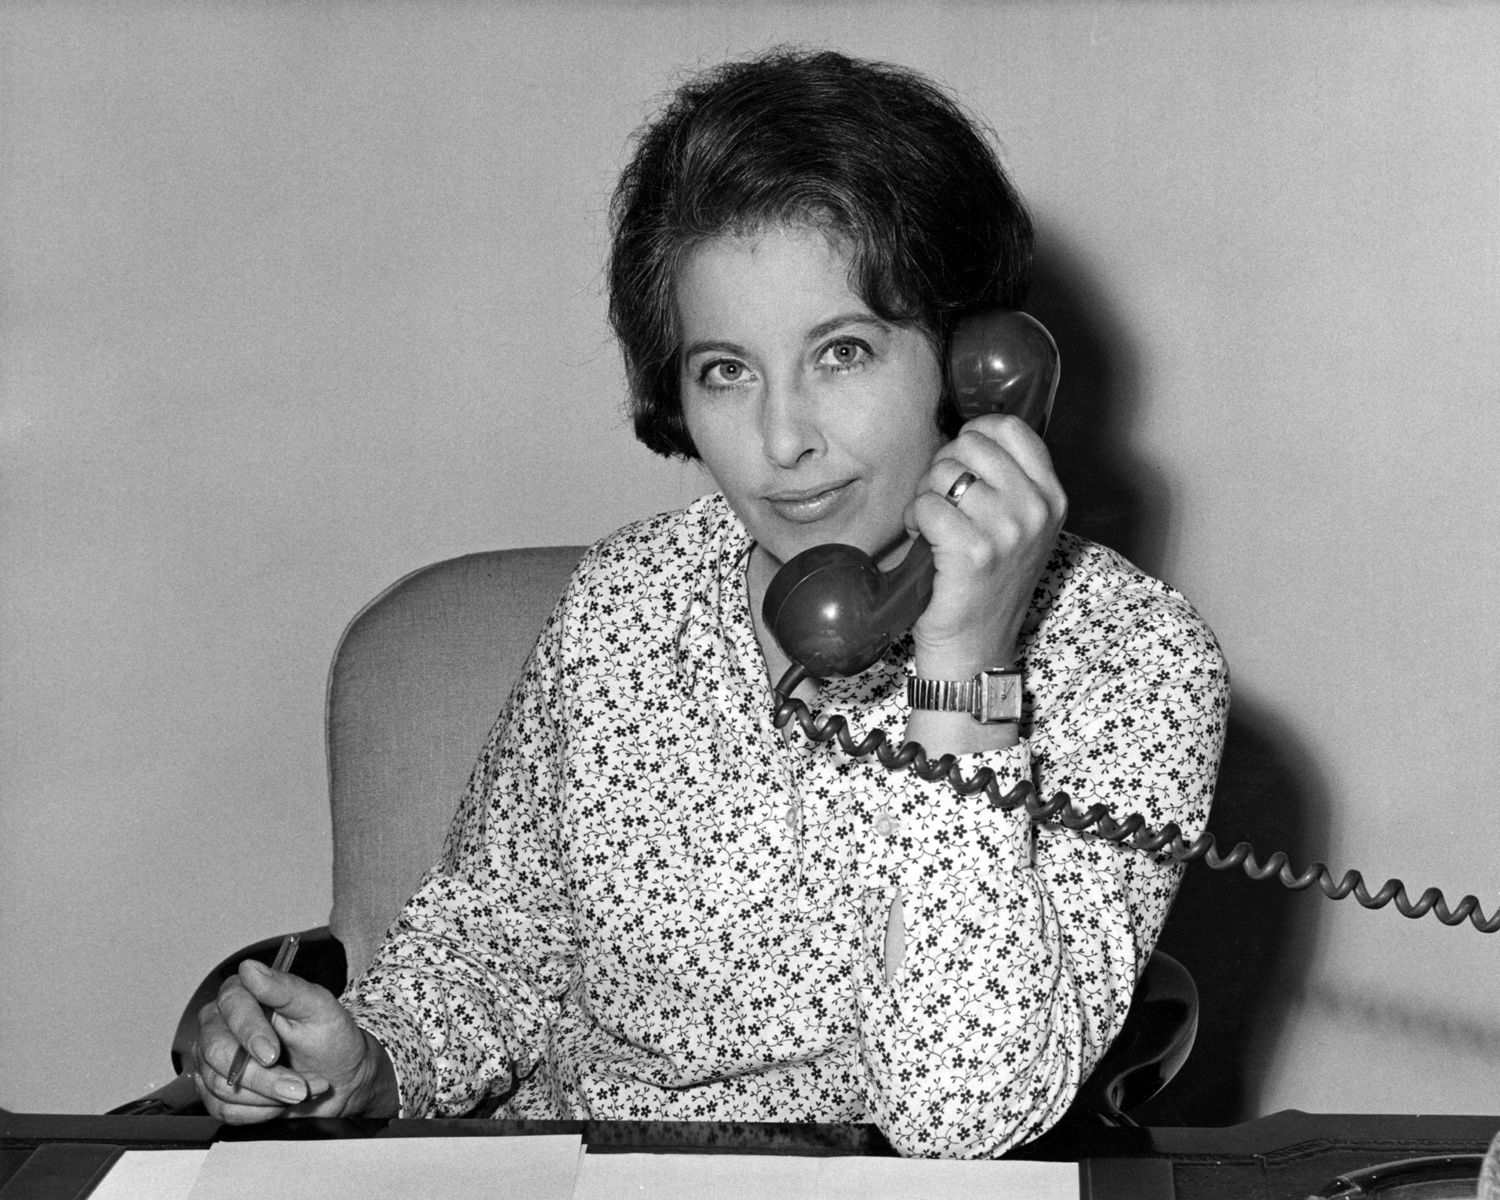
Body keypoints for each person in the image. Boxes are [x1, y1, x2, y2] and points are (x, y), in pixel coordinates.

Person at [189, 48, 1229, 1158]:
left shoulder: (1133, 659)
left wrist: (964, 668)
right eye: (726, 370)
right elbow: (497, 945)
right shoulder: (625, 605)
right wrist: (370, 1061)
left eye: (842, 353)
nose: (782, 442)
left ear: (976, 363)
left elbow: (962, 1113)